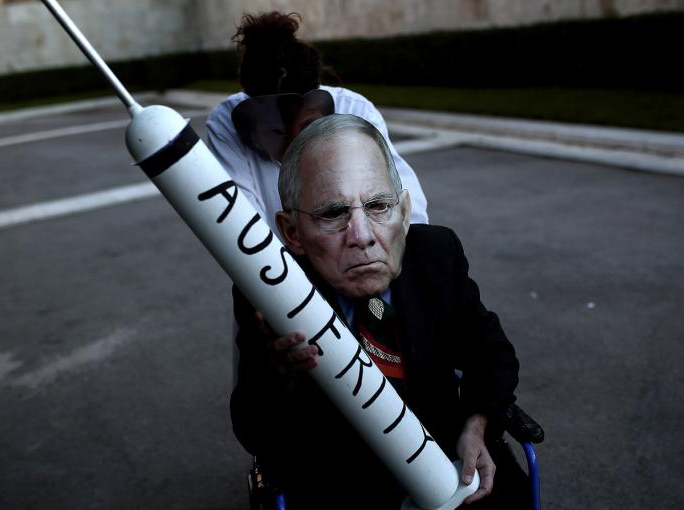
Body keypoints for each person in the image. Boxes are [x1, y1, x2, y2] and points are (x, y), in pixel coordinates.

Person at [230, 114, 529, 509]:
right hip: (342, 484)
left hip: (453, 463)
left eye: (378, 205)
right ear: (291, 233)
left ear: (404, 213)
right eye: (333, 213)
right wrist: (279, 375)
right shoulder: (269, 291)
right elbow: (254, 430)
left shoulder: (436, 254)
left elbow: (492, 354)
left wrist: (476, 426)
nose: (362, 236)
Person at [205, 11, 429, 233]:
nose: (293, 143)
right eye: (275, 130)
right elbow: (243, 221)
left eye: (306, 126)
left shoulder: (355, 110)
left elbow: (402, 201)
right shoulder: (226, 123)